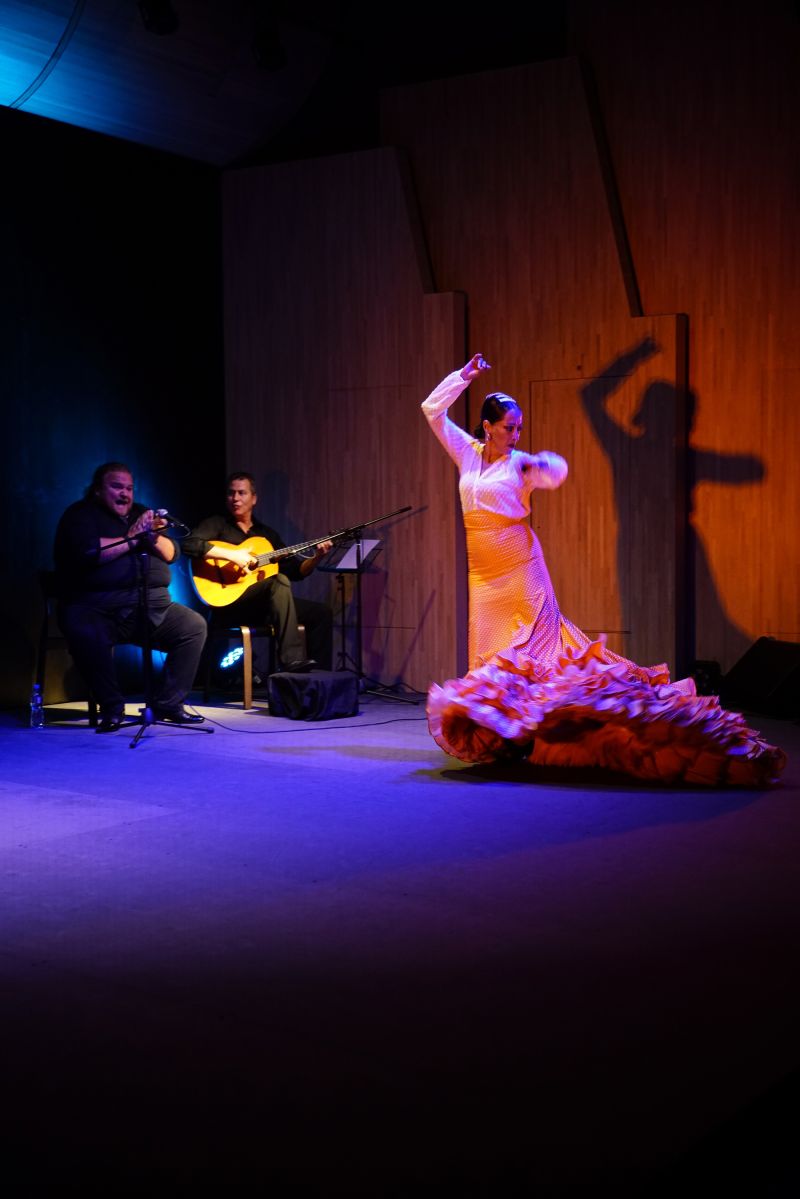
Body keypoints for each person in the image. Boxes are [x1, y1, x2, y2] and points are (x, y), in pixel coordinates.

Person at [421, 355, 786, 786]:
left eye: (519, 427)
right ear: (487, 427)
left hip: (521, 566)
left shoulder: (519, 464)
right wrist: (464, 377)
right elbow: (431, 409)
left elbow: (556, 471)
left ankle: (547, 732)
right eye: (508, 427)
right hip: (483, 576)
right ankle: (510, 738)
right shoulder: (466, 453)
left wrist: (541, 464)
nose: (515, 434)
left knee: (535, 653)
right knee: (489, 659)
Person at [53, 462, 208, 733]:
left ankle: (167, 704)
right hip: (98, 608)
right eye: (116, 487)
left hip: (150, 607)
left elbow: (172, 554)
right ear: (98, 490)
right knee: (82, 627)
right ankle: (112, 707)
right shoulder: (80, 515)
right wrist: (133, 537)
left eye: (129, 488)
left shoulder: (141, 513)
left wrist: (152, 536)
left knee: (193, 626)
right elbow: (90, 552)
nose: (125, 493)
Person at [182, 472, 334, 678]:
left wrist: (317, 558)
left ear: (253, 498)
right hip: (230, 606)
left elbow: (296, 571)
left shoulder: (266, 535)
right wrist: (233, 555)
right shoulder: (217, 524)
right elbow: (188, 544)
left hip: (263, 607)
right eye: (231, 493)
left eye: (241, 493)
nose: (235, 498)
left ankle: (320, 681)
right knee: (278, 582)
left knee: (321, 613)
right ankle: (291, 658)